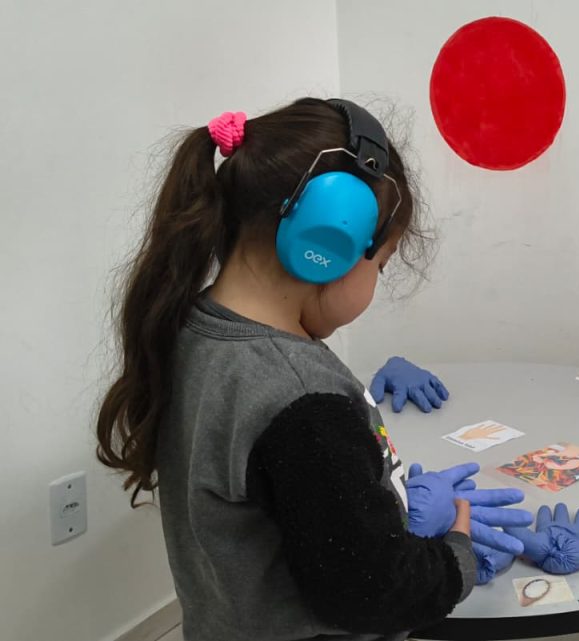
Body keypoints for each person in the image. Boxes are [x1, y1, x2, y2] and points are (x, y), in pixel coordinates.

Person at [94, 97, 529, 641]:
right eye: (381, 265)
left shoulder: (190, 330)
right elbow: (374, 593)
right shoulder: (301, 397)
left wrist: (373, 503)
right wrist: (455, 555)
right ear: (327, 244)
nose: (375, 285)